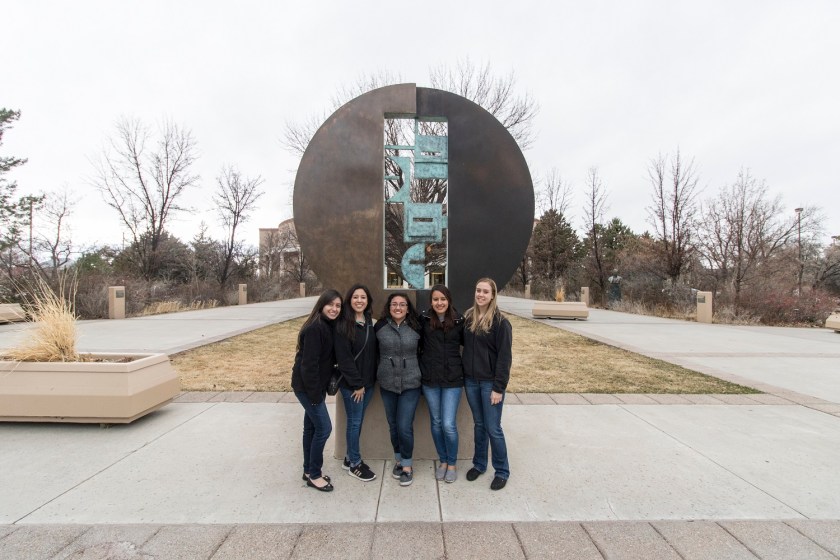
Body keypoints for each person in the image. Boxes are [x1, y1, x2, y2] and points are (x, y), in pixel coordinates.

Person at [463, 277, 513, 491]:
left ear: (493, 295)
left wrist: (498, 388)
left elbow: (504, 358)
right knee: (479, 426)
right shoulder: (468, 318)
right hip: (471, 381)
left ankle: (501, 471)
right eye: (478, 290)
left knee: (493, 428)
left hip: (490, 384)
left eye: (485, 291)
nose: (480, 295)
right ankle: (479, 464)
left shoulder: (501, 323)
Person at [291, 289, 343, 492]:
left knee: (311, 428)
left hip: (314, 387)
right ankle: (314, 474)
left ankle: (308, 470)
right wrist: (314, 396)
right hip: (308, 388)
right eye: (331, 304)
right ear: (321, 305)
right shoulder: (315, 328)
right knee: (324, 428)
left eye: (338, 306)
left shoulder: (327, 326)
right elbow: (308, 365)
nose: (334, 309)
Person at [375, 292, 422, 487]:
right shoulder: (380, 326)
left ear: (408, 308)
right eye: (394, 304)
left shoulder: (417, 326)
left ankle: (408, 466)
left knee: (404, 426)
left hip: (411, 383)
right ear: (389, 306)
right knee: (393, 425)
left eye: (402, 304)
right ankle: (398, 460)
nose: (398, 307)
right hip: (387, 383)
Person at [419, 284, 465, 483]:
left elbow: (471, 345)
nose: (439, 303)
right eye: (436, 299)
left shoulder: (459, 320)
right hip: (430, 379)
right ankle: (443, 461)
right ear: (431, 301)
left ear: (449, 301)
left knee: (448, 424)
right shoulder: (424, 320)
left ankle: (452, 463)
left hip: (452, 379)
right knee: (436, 423)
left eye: (443, 299)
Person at [334, 284, 378, 482]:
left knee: (356, 421)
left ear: (367, 300)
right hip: (353, 386)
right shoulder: (343, 324)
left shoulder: (369, 321)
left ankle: (348, 458)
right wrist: (357, 384)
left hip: (368, 383)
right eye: (355, 297)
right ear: (349, 300)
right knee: (354, 422)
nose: (359, 300)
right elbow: (344, 359)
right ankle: (355, 464)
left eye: (363, 297)